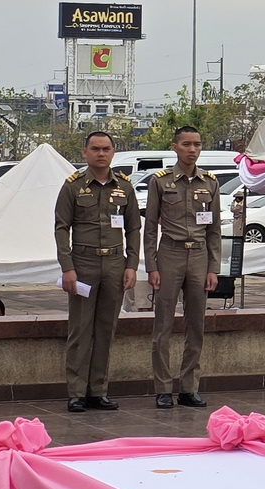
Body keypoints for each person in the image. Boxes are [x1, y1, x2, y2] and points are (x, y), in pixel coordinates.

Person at [54, 131, 141, 411]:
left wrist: (132, 265)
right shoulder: (73, 186)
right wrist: (67, 268)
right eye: (95, 149)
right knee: (80, 329)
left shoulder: (125, 187)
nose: (101, 154)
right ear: (84, 153)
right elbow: (61, 228)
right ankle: (77, 392)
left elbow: (133, 228)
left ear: (114, 152)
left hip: (115, 264)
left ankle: (98, 390)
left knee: (106, 329)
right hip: (84, 264)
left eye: (106, 149)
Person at [145, 126, 221, 410]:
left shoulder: (210, 183)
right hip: (170, 253)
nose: (192, 149)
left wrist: (214, 267)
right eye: (186, 144)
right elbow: (150, 227)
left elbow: (214, 230)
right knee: (163, 324)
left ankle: (189, 387)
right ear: (174, 147)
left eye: (197, 144)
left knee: (196, 325)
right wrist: (151, 265)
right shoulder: (160, 181)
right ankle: (163, 387)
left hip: (199, 256)